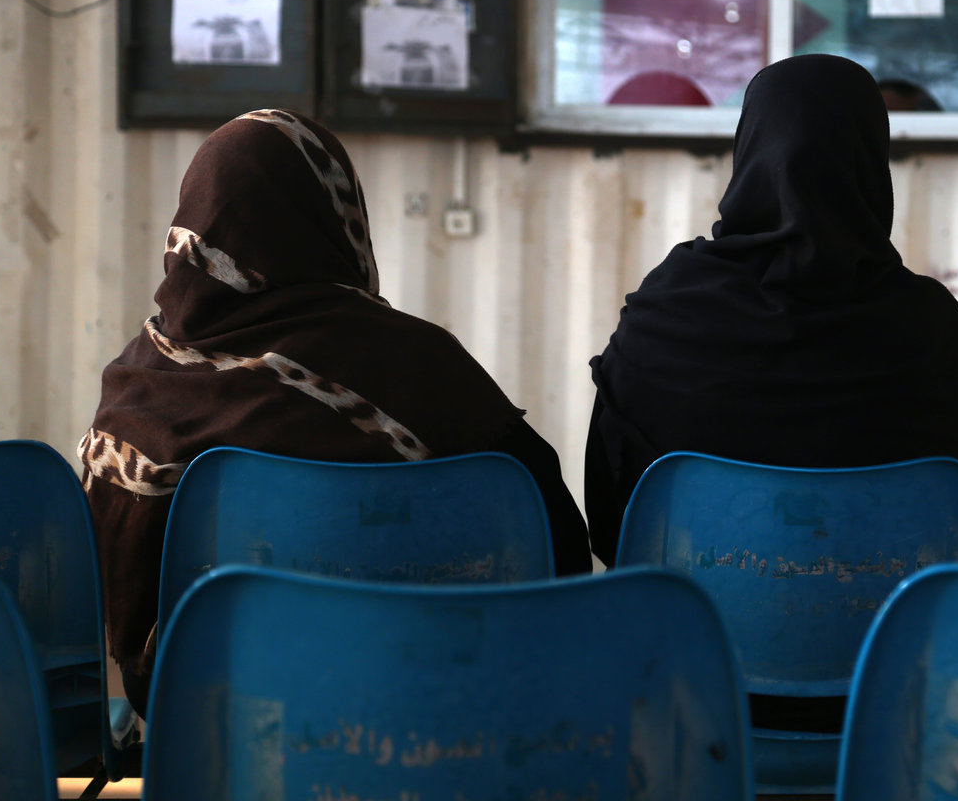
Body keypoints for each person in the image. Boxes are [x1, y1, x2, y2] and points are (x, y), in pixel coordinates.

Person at [79, 108, 589, 715]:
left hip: (217, 728)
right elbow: (554, 542)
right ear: (333, 219)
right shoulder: (420, 366)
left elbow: (107, 594)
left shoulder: (138, 385)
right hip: (446, 717)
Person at [585, 55, 958, 570]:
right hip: (893, 635)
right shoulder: (932, 327)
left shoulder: (666, 312)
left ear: (749, 148)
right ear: (871, 162)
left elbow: (612, 527)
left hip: (688, 631)